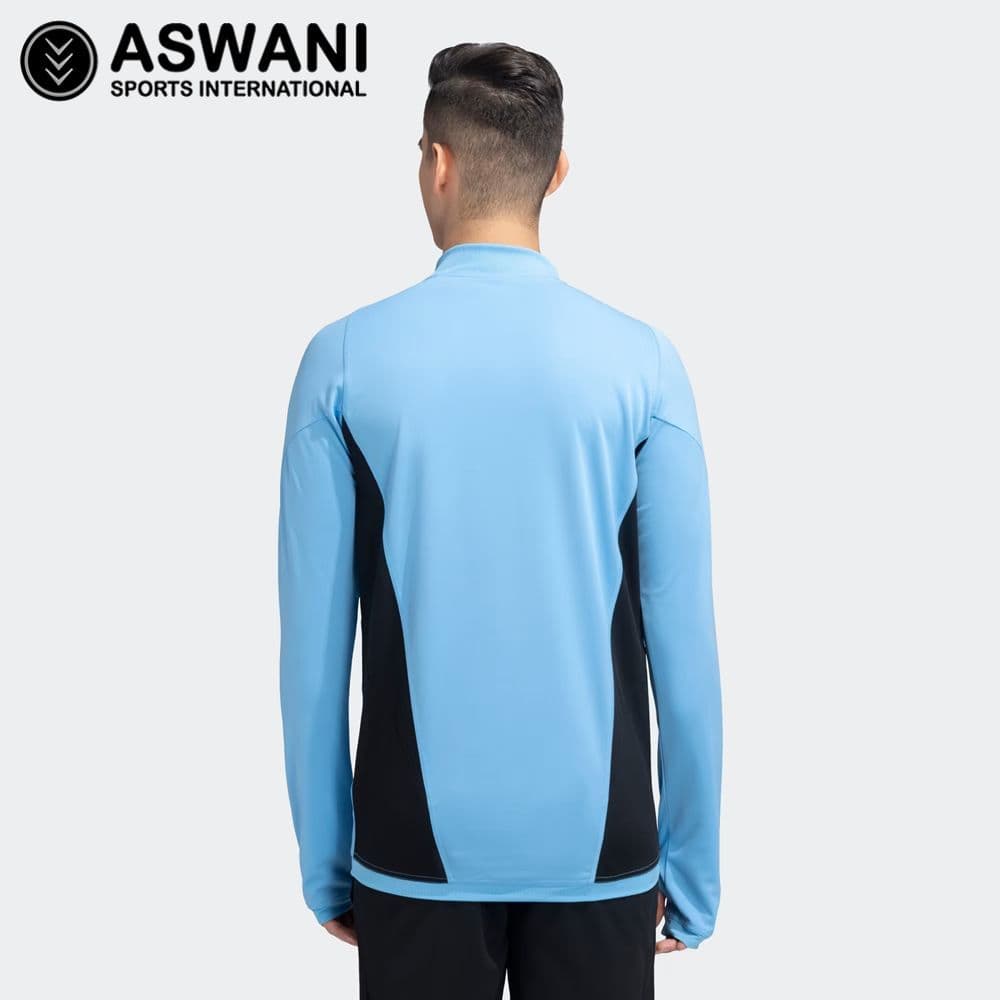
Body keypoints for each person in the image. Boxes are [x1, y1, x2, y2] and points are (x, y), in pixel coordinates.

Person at [278, 41, 723, 1000]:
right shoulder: (645, 366)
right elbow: (686, 652)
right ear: (556, 173)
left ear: (436, 162)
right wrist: (692, 874)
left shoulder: (342, 361)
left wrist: (328, 862)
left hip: (410, 848)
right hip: (603, 848)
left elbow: (313, 656)